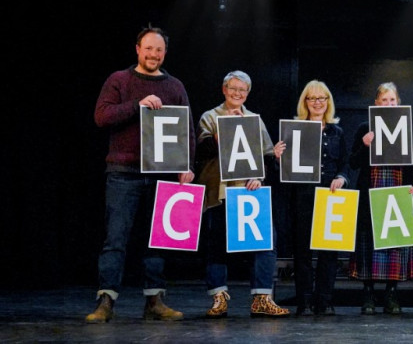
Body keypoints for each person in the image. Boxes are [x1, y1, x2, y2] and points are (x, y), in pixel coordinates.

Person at [87, 26, 195, 323]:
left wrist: (187, 165)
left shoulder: (175, 86)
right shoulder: (119, 80)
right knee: (116, 238)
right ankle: (106, 300)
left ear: (165, 53)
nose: (153, 55)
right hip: (124, 172)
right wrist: (138, 105)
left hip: (162, 173)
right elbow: (102, 116)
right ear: (138, 49)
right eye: (148, 48)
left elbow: (187, 130)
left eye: (159, 50)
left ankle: (154, 300)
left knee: (158, 240)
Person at [194, 70, 289, 318]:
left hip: (248, 193)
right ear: (224, 89)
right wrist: (225, 128)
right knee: (217, 245)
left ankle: (261, 298)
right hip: (220, 191)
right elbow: (201, 152)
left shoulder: (254, 120)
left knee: (265, 243)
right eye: (233, 88)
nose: (237, 93)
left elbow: (267, 156)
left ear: (248, 94)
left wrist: (259, 176)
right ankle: (219, 298)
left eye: (242, 90)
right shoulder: (210, 117)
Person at [348, 82, 413, 314]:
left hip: (397, 188)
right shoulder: (364, 128)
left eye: (392, 100)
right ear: (376, 104)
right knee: (369, 242)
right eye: (384, 100)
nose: (389, 104)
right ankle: (368, 293)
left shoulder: (407, 129)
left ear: (398, 103)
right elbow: (352, 163)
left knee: (394, 243)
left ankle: (391, 294)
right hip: (371, 189)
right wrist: (365, 145)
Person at [286, 80, 353, 316]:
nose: (317, 103)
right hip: (303, 194)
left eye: (322, 98)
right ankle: (304, 301)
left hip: (330, 194)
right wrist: (277, 156)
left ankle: (324, 300)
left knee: (329, 252)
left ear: (328, 102)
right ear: (305, 102)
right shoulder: (294, 129)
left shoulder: (337, 131)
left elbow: (345, 163)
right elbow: (283, 168)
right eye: (312, 98)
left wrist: (342, 178)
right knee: (302, 250)